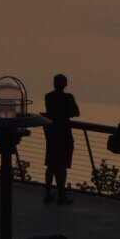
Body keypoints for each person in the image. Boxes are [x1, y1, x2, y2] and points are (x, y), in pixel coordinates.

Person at [42, 73, 80, 204]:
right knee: (62, 165)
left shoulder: (48, 97)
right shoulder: (68, 97)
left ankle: (47, 193)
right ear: (65, 84)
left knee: (51, 164)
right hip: (64, 134)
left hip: (52, 134)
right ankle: (61, 194)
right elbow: (76, 113)